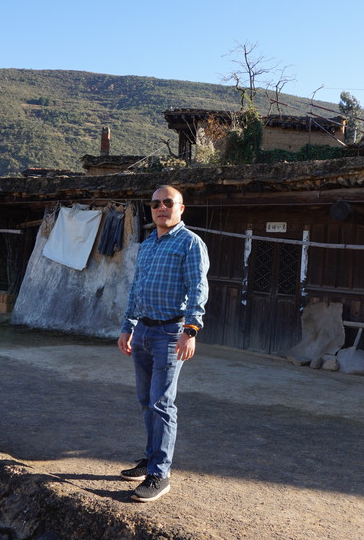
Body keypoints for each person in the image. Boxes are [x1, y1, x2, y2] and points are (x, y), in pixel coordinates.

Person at [117, 185, 209, 502]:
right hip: (143, 331)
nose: (161, 208)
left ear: (181, 208)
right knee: (146, 401)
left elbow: (198, 288)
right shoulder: (147, 246)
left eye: (168, 202)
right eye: (155, 203)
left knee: (162, 403)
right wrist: (128, 327)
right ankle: (150, 458)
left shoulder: (191, 243)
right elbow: (136, 288)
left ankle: (159, 474)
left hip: (171, 334)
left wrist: (191, 330)